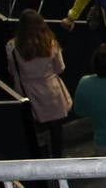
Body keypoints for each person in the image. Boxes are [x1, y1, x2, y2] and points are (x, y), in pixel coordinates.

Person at [5, 9, 72, 158]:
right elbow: (60, 68)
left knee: (34, 129)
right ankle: (57, 158)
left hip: (28, 92)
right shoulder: (51, 42)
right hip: (51, 90)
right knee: (56, 129)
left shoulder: (12, 46)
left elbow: (13, 70)